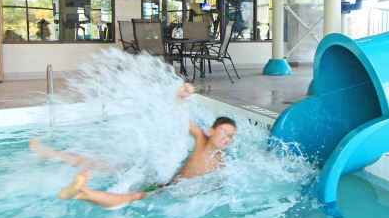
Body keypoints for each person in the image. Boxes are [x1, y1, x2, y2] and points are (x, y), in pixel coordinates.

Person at [29, 83, 237, 208]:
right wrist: (180, 94)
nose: (227, 137)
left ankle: (81, 193)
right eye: (224, 131)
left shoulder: (222, 163)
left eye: (231, 136)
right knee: (106, 165)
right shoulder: (200, 138)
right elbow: (180, 114)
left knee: (134, 197)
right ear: (211, 130)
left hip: (170, 193)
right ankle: (46, 153)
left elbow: (218, 188)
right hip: (164, 181)